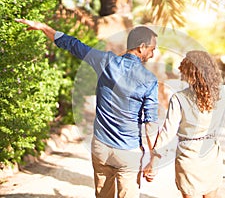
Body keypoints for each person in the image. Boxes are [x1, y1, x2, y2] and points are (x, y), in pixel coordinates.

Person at [15, 18, 159, 198]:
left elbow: (74, 45)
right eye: (152, 49)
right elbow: (151, 123)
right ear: (142, 47)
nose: (152, 54)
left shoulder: (105, 61)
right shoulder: (150, 80)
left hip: (101, 148)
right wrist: (153, 158)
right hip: (128, 152)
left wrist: (43, 27)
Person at [143, 44, 225, 198]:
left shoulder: (179, 98)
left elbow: (167, 134)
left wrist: (153, 161)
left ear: (189, 72)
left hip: (188, 160)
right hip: (211, 156)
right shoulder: (222, 93)